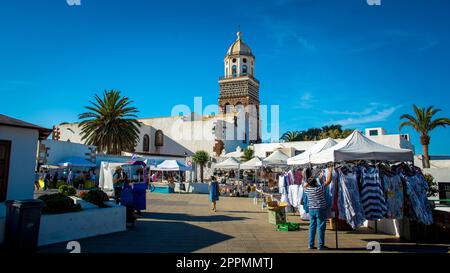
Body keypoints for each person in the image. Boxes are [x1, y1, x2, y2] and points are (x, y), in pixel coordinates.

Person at [304, 164, 333, 250]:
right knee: (321, 227)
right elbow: (328, 181)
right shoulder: (319, 189)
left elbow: (306, 185)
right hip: (320, 209)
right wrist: (330, 171)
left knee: (312, 227)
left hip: (311, 209)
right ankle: (320, 245)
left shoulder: (307, 189)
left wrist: (314, 179)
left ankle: (311, 244)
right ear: (315, 183)